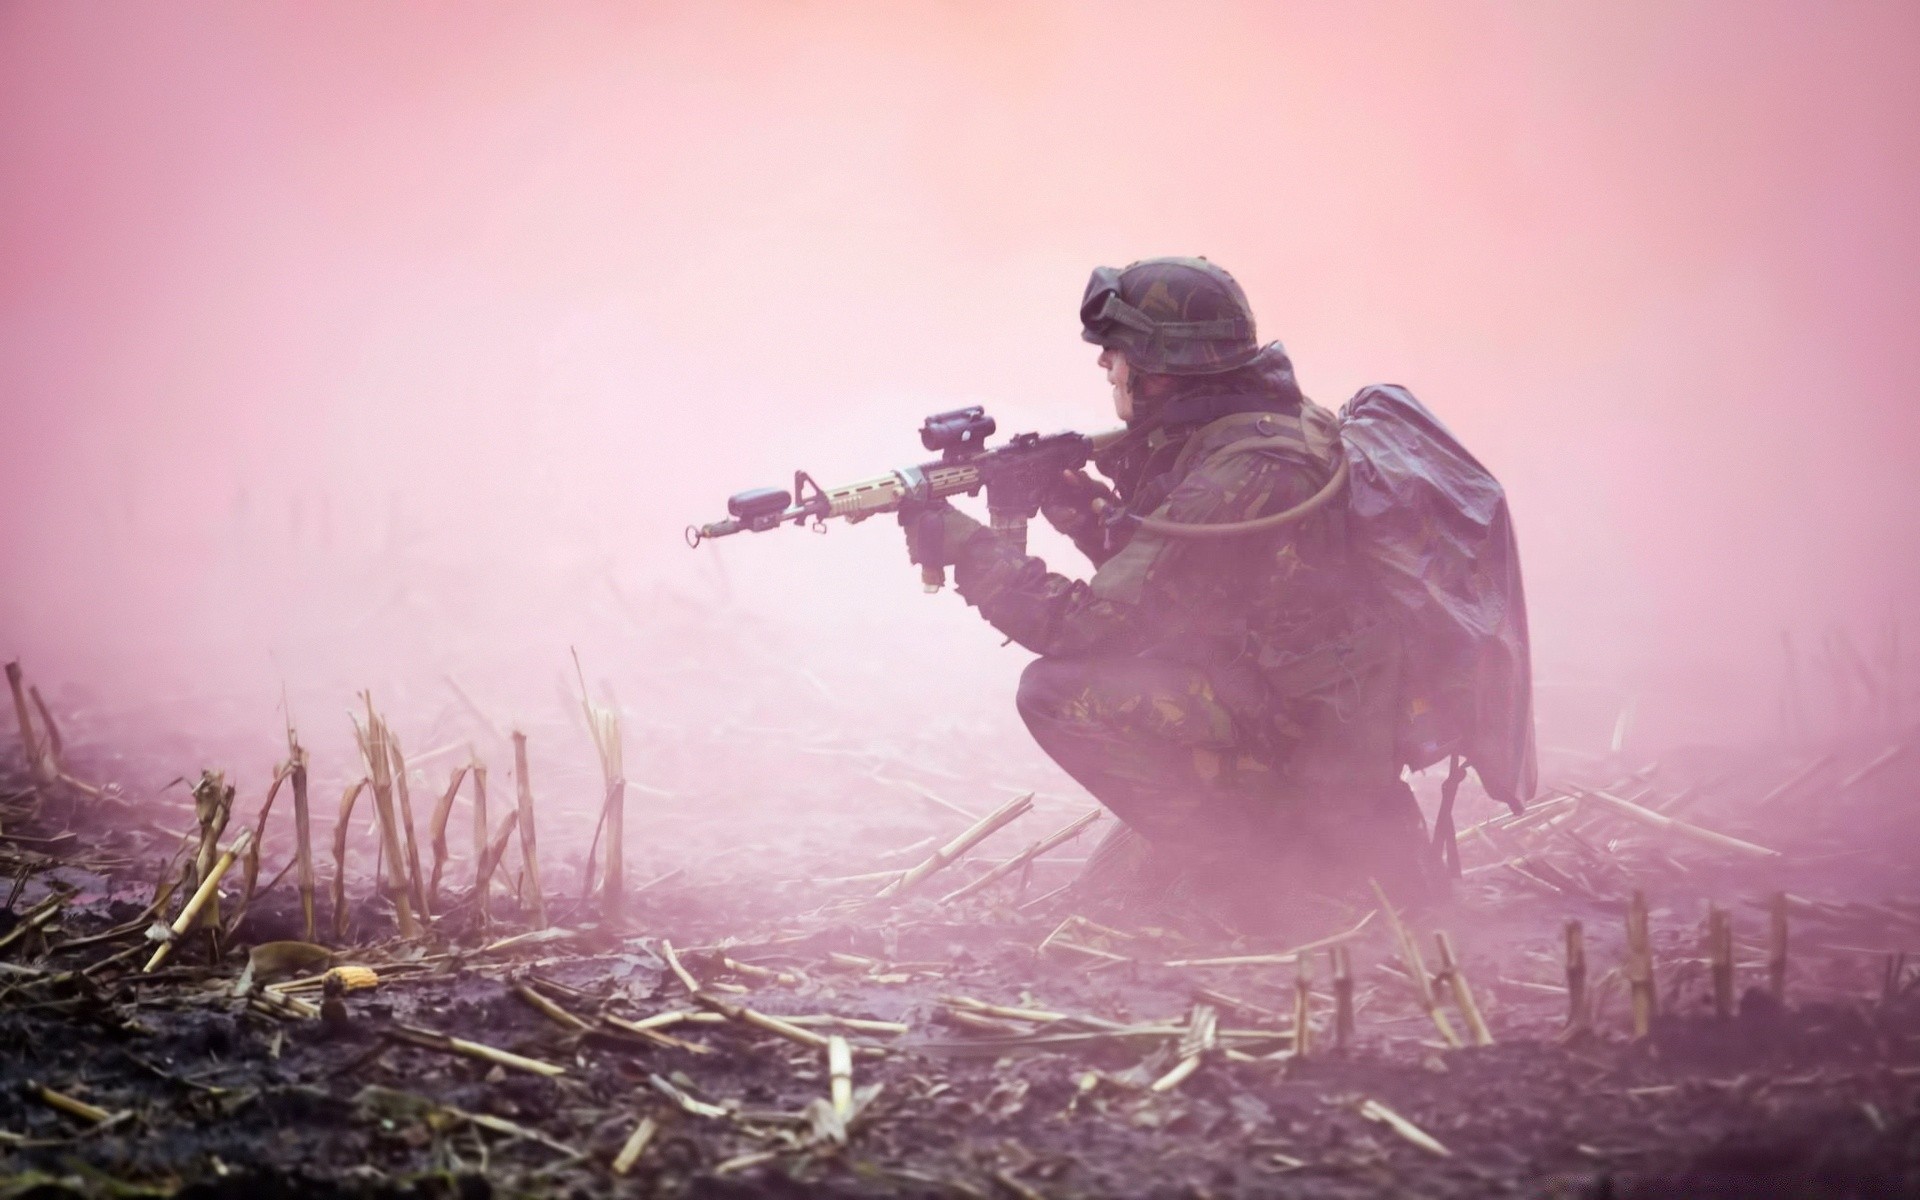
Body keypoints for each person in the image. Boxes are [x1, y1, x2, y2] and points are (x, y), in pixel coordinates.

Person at [901, 257, 1435, 923]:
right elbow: (1187, 590)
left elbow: (1081, 627)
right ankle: (1267, 850)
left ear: (1160, 366)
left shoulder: (1241, 469)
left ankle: (1260, 878)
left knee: (1056, 692)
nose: (1107, 369)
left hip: (1314, 751)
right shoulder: (1268, 426)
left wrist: (965, 547)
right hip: (1317, 720)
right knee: (1112, 879)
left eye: (1116, 354)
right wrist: (1081, 510)